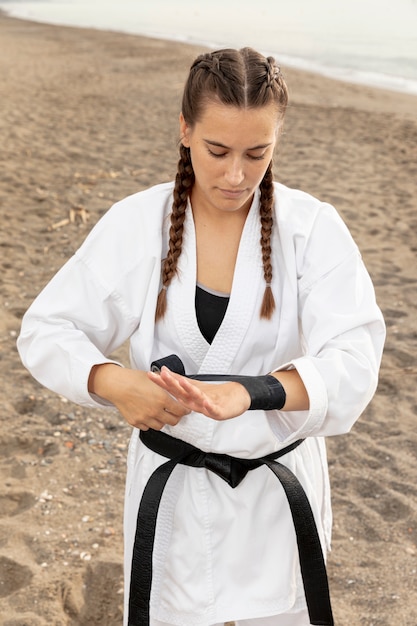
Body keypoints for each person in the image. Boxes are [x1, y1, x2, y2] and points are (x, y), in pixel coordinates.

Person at [17, 47, 385, 626]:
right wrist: (113, 381)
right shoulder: (139, 224)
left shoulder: (312, 230)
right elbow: (46, 329)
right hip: (173, 500)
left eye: (256, 153)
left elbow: (356, 359)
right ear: (185, 129)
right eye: (217, 150)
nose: (235, 174)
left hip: (276, 500)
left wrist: (255, 391)